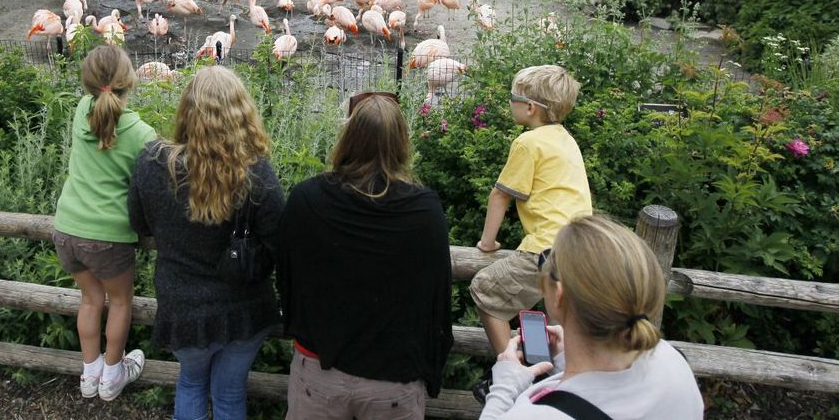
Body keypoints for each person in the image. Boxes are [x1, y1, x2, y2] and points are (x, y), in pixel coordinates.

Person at [277, 91, 453, 420]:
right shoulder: (424, 211)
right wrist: (433, 365)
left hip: (319, 369)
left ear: (348, 136)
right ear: (402, 141)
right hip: (394, 380)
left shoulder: (306, 199)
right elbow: (438, 295)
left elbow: (285, 274)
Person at [128, 66, 283, 420]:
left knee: (191, 383)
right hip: (244, 309)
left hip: (182, 308)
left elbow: (138, 224)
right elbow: (279, 241)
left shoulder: (152, 163)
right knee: (229, 395)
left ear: (185, 109)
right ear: (242, 112)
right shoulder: (256, 173)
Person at [479, 215, 704, 419]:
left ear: (559, 295)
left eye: (548, 260)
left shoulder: (539, 414)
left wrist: (505, 387)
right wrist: (568, 357)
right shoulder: (672, 361)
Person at [471, 65, 592, 399]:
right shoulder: (566, 139)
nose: (509, 103)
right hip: (579, 245)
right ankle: (554, 381)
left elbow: (501, 195)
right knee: (554, 321)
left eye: (513, 97)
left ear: (530, 108)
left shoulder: (528, 143)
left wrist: (487, 241)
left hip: (547, 248)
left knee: (486, 292)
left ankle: (512, 374)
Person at [52, 45, 156, 401]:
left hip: (66, 230)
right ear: (130, 82)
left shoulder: (82, 110)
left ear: (89, 85)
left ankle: (89, 373)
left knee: (90, 300)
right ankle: (113, 375)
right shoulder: (143, 134)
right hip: (108, 238)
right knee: (121, 302)